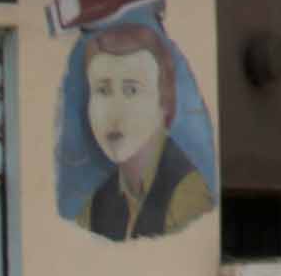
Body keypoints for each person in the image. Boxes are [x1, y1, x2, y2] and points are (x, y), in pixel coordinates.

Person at [82, 19, 214, 241]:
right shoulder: (94, 206)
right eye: (103, 90)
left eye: (131, 90)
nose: (115, 111)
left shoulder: (187, 195)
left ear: (164, 100)